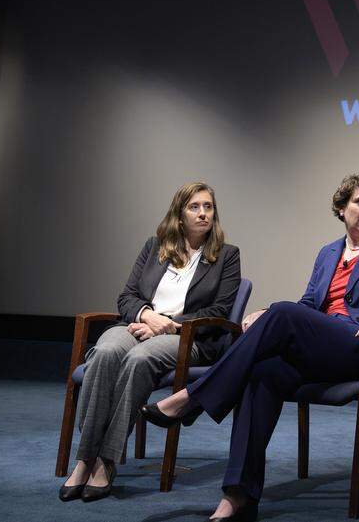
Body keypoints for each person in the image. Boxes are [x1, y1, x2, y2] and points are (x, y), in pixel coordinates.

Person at [143, 173, 359, 522]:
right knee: (263, 372)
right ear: (341, 209)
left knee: (282, 314)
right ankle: (238, 497)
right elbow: (308, 303)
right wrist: (266, 313)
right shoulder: (328, 253)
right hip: (325, 349)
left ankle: (192, 397)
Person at [59, 181, 241, 502]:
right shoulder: (154, 246)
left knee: (140, 359)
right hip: (141, 324)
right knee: (104, 352)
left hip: (188, 338)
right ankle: (85, 457)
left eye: (208, 207)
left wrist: (169, 326)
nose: (202, 214)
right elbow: (127, 296)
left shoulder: (226, 256)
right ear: (180, 214)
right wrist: (146, 316)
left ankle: (106, 460)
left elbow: (219, 310)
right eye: (194, 207)